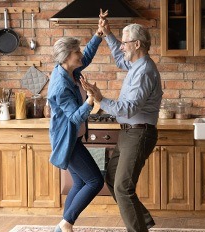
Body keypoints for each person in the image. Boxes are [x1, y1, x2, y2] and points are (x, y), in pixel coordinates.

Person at [81, 18, 163, 232]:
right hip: (129, 133)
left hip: (139, 134)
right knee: (111, 177)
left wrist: (100, 99)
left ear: (137, 44)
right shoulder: (136, 63)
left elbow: (129, 109)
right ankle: (142, 220)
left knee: (122, 187)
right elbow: (120, 59)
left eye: (125, 42)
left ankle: (138, 229)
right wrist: (107, 33)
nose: (121, 45)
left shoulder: (144, 71)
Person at [47, 10, 108, 232]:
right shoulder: (61, 85)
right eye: (76, 52)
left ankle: (62, 226)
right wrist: (90, 100)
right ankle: (66, 224)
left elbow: (87, 57)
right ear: (66, 57)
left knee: (82, 182)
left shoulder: (69, 72)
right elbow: (73, 118)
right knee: (95, 182)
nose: (80, 55)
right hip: (67, 140)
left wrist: (98, 34)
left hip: (73, 138)